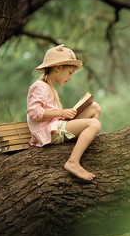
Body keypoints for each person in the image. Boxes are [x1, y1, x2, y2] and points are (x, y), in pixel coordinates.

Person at [27, 44, 101, 181]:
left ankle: (84, 141)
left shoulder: (49, 87)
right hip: (50, 132)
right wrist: (61, 112)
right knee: (94, 124)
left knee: (95, 107)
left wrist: (64, 114)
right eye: (70, 73)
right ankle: (73, 162)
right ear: (58, 68)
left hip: (56, 125)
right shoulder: (40, 87)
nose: (70, 77)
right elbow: (34, 113)